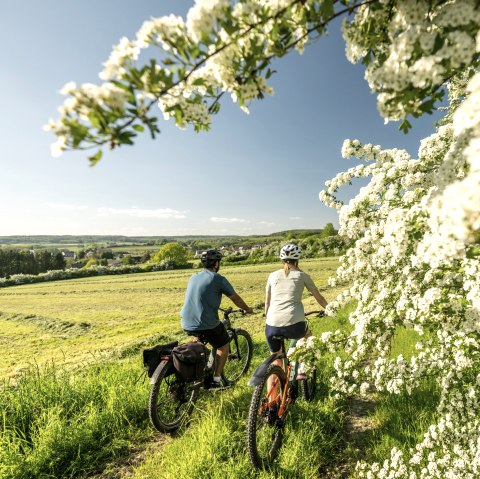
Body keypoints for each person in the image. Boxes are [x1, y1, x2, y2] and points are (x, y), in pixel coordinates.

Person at [180, 249, 253, 389]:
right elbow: (235, 298)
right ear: (216, 263)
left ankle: (199, 372)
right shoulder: (217, 279)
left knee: (199, 341)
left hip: (186, 321)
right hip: (206, 323)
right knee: (223, 345)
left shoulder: (193, 277)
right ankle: (216, 380)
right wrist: (247, 309)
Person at [264, 243, 328, 380]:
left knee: (275, 360)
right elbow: (319, 298)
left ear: (282, 260)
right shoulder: (303, 276)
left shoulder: (272, 275)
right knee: (308, 339)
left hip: (271, 325)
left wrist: (268, 321)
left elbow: (267, 303)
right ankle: (301, 370)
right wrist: (330, 309)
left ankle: (271, 399)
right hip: (294, 324)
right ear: (297, 259)